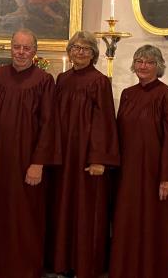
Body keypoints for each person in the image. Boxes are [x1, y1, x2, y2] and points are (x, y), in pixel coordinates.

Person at [0, 29, 59, 278]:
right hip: (0, 160)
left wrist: (38, 163)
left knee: (27, 217)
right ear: (10, 48)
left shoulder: (44, 80)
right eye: (17, 47)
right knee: (0, 214)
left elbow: (49, 123)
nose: (21, 52)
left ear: (34, 52)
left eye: (27, 48)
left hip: (28, 162)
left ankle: (26, 269)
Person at [109, 45, 168, 278]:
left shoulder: (167, 95)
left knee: (153, 224)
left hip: (155, 174)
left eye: (149, 62)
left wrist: (167, 178)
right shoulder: (128, 94)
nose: (143, 66)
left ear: (158, 66)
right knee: (126, 222)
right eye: (139, 61)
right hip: (128, 173)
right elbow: (118, 134)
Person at [50, 31, 120, 278]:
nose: (79, 52)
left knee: (86, 210)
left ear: (94, 53)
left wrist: (98, 158)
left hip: (87, 159)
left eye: (85, 49)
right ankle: (63, 262)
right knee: (63, 208)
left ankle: (85, 265)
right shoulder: (62, 79)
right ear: (69, 52)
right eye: (75, 48)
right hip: (64, 156)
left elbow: (104, 121)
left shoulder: (99, 81)